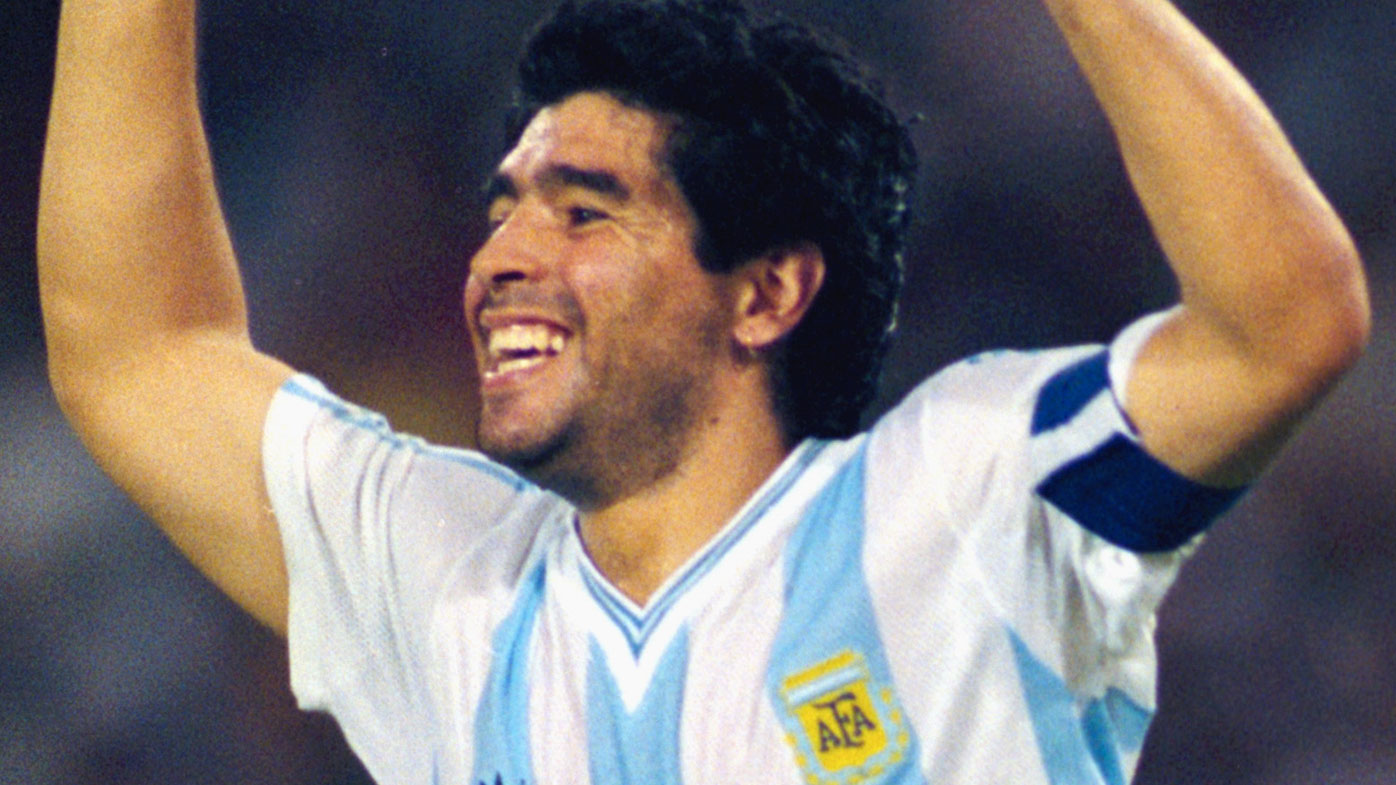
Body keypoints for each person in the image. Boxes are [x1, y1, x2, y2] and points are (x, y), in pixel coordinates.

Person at [37, 0, 1368, 783]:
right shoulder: (449, 586)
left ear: (767, 293)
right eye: (503, 210)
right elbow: (138, 349)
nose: (500, 260)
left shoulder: (956, 498)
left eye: (583, 212)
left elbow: (1284, 330)